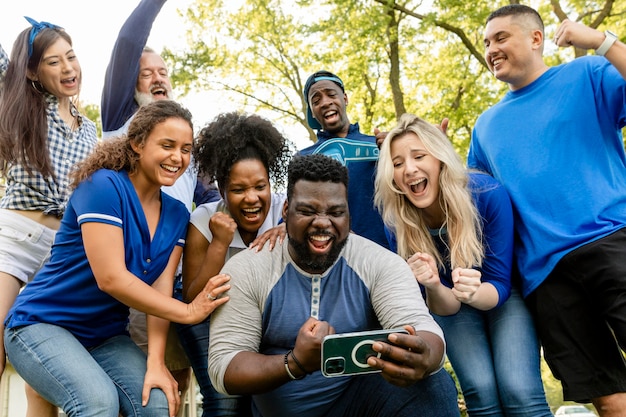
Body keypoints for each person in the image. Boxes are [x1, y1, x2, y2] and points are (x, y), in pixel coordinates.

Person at [3, 100, 231, 417]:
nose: (177, 157)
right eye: (167, 145)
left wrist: (155, 363)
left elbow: (161, 289)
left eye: (185, 149)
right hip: (42, 324)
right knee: (98, 403)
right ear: (137, 144)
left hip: (104, 336)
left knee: (157, 403)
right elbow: (111, 278)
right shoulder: (102, 186)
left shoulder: (178, 213)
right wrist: (189, 311)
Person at [207, 153, 460, 417]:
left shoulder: (379, 262)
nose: (323, 223)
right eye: (307, 211)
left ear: (348, 214)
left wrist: (424, 354)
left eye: (336, 212)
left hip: (360, 406)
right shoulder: (249, 268)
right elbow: (224, 367)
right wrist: (295, 363)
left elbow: (422, 326)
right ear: (286, 211)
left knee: (433, 382)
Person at [467, 4, 626, 416]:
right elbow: (478, 199)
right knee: (606, 395)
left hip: (612, 243)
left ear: (536, 39)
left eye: (501, 38)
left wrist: (601, 41)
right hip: (547, 277)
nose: (491, 49)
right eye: (486, 42)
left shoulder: (586, 73)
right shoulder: (486, 126)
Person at [374, 113, 552, 416]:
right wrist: (432, 285)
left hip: (502, 296)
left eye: (419, 156)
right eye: (398, 163)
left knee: (519, 390)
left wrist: (474, 293)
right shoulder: (397, 221)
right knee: (480, 391)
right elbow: (445, 308)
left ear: (440, 159)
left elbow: (500, 284)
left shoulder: (486, 194)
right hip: (451, 306)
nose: (410, 169)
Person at [101, 0, 215, 406]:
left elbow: (212, 196)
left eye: (162, 72)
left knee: (174, 383)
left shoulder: (185, 144)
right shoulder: (121, 118)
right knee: (130, 387)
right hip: (127, 269)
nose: (156, 78)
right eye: (145, 73)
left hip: (172, 273)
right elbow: (129, 41)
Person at [0, 17, 98, 417]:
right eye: (54, 62)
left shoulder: (91, 131)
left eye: (71, 57)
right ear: (32, 71)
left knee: (42, 373)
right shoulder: (21, 106)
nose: (68, 68)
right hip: (17, 237)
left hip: (61, 253)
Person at [178, 111, 292, 416]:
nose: (252, 198)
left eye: (260, 186)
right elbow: (191, 297)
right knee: (225, 398)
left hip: (257, 311)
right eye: (239, 190)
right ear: (222, 190)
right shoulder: (204, 219)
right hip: (205, 314)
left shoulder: (286, 211)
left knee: (265, 392)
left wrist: (289, 227)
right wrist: (220, 243)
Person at [299, 70, 389, 249]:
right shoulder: (304, 158)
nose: (325, 102)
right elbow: (295, 213)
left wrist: (395, 154)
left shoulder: (379, 145)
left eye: (331, 94)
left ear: (345, 99)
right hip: (330, 261)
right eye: (316, 101)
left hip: (384, 254)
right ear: (313, 113)